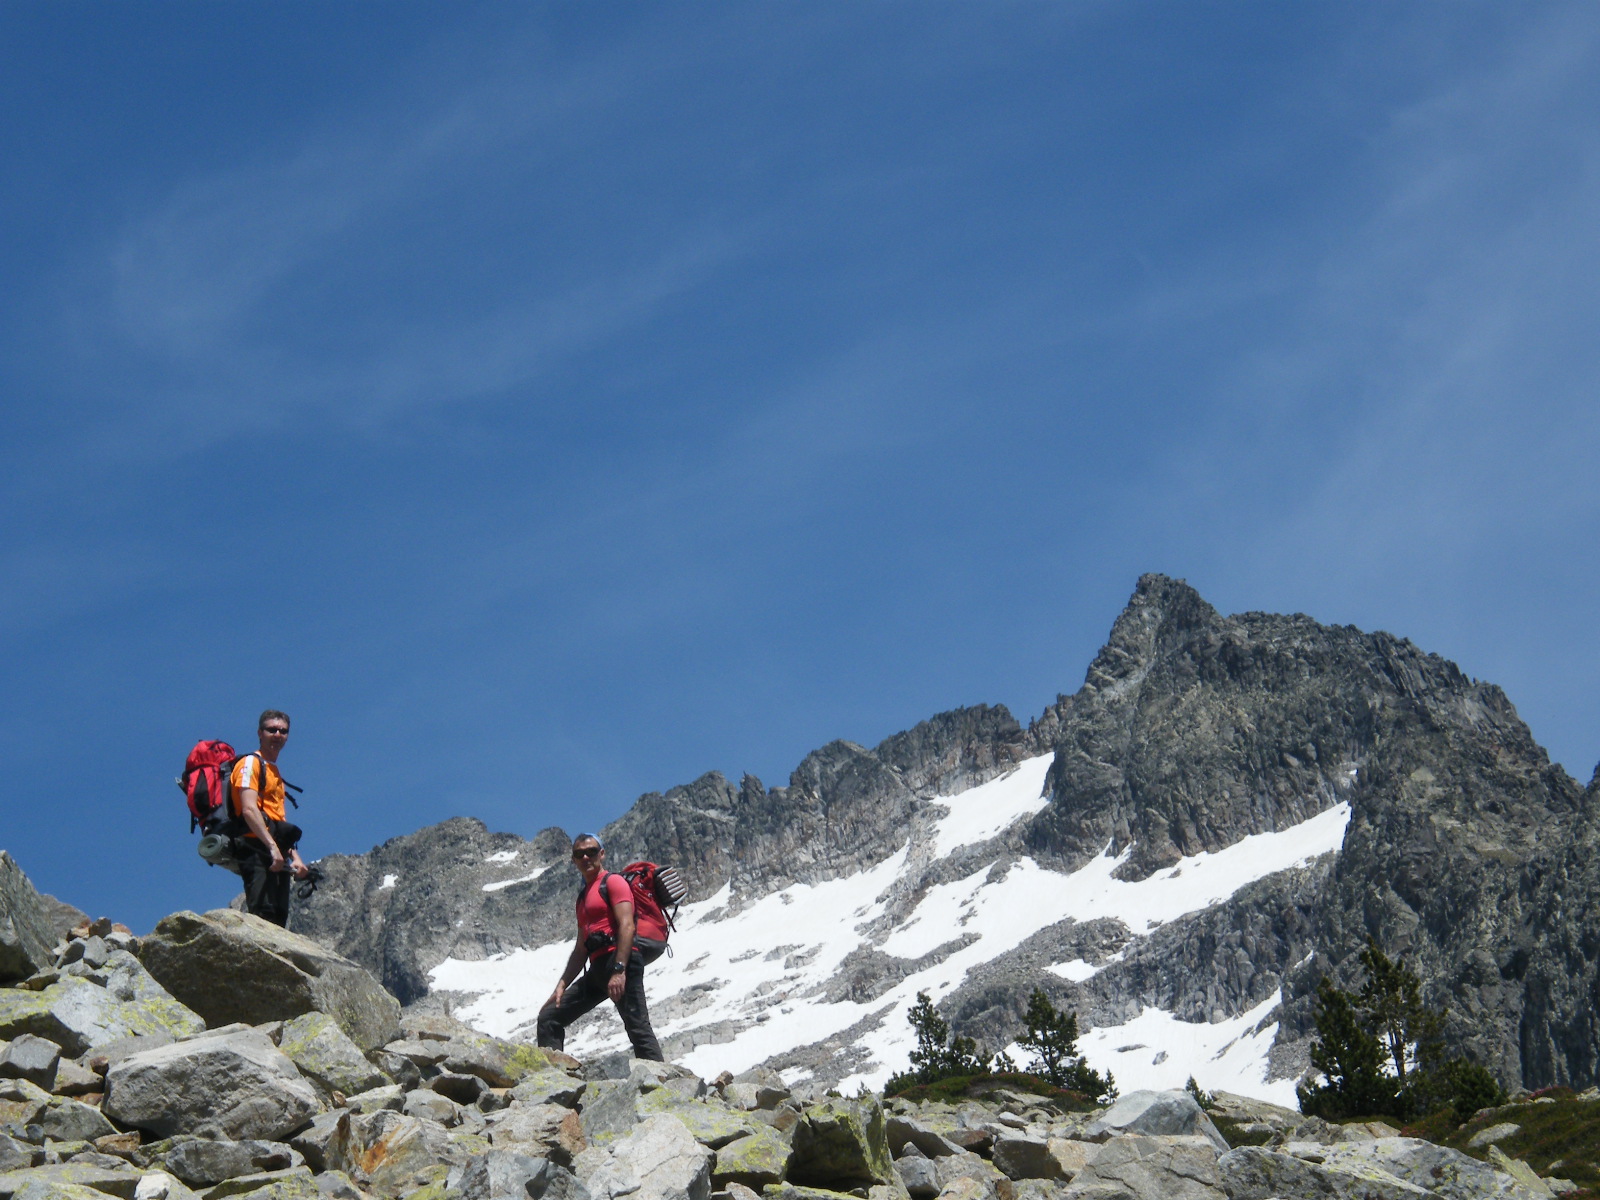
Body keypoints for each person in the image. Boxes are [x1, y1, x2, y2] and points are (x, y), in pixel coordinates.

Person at [537, 834, 664, 1061]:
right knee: (549, 1017)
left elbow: (627, 925)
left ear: (602, 854)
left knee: (637, 1026)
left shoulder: (613, 882)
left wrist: (619, 970)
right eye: (579, 854)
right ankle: (552, 1081)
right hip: (597, 968)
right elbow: (580, 949)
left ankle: (661, 1088)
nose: (586, 857)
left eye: (591, 852)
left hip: (621, 961)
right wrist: (562, 985)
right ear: (573, 860)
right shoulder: (582, 898)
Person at [231, 709, 308, 927]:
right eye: (271, 730)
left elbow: (277, 821)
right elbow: (248, 809)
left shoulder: (274, 771)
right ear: (259, 733)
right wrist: (272, 847)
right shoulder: (250, 764)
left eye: (283, 731)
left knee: (278, 916)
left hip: (275, 850)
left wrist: (295, 857)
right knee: (263, 914)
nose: (277, 735)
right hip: (253, 846)